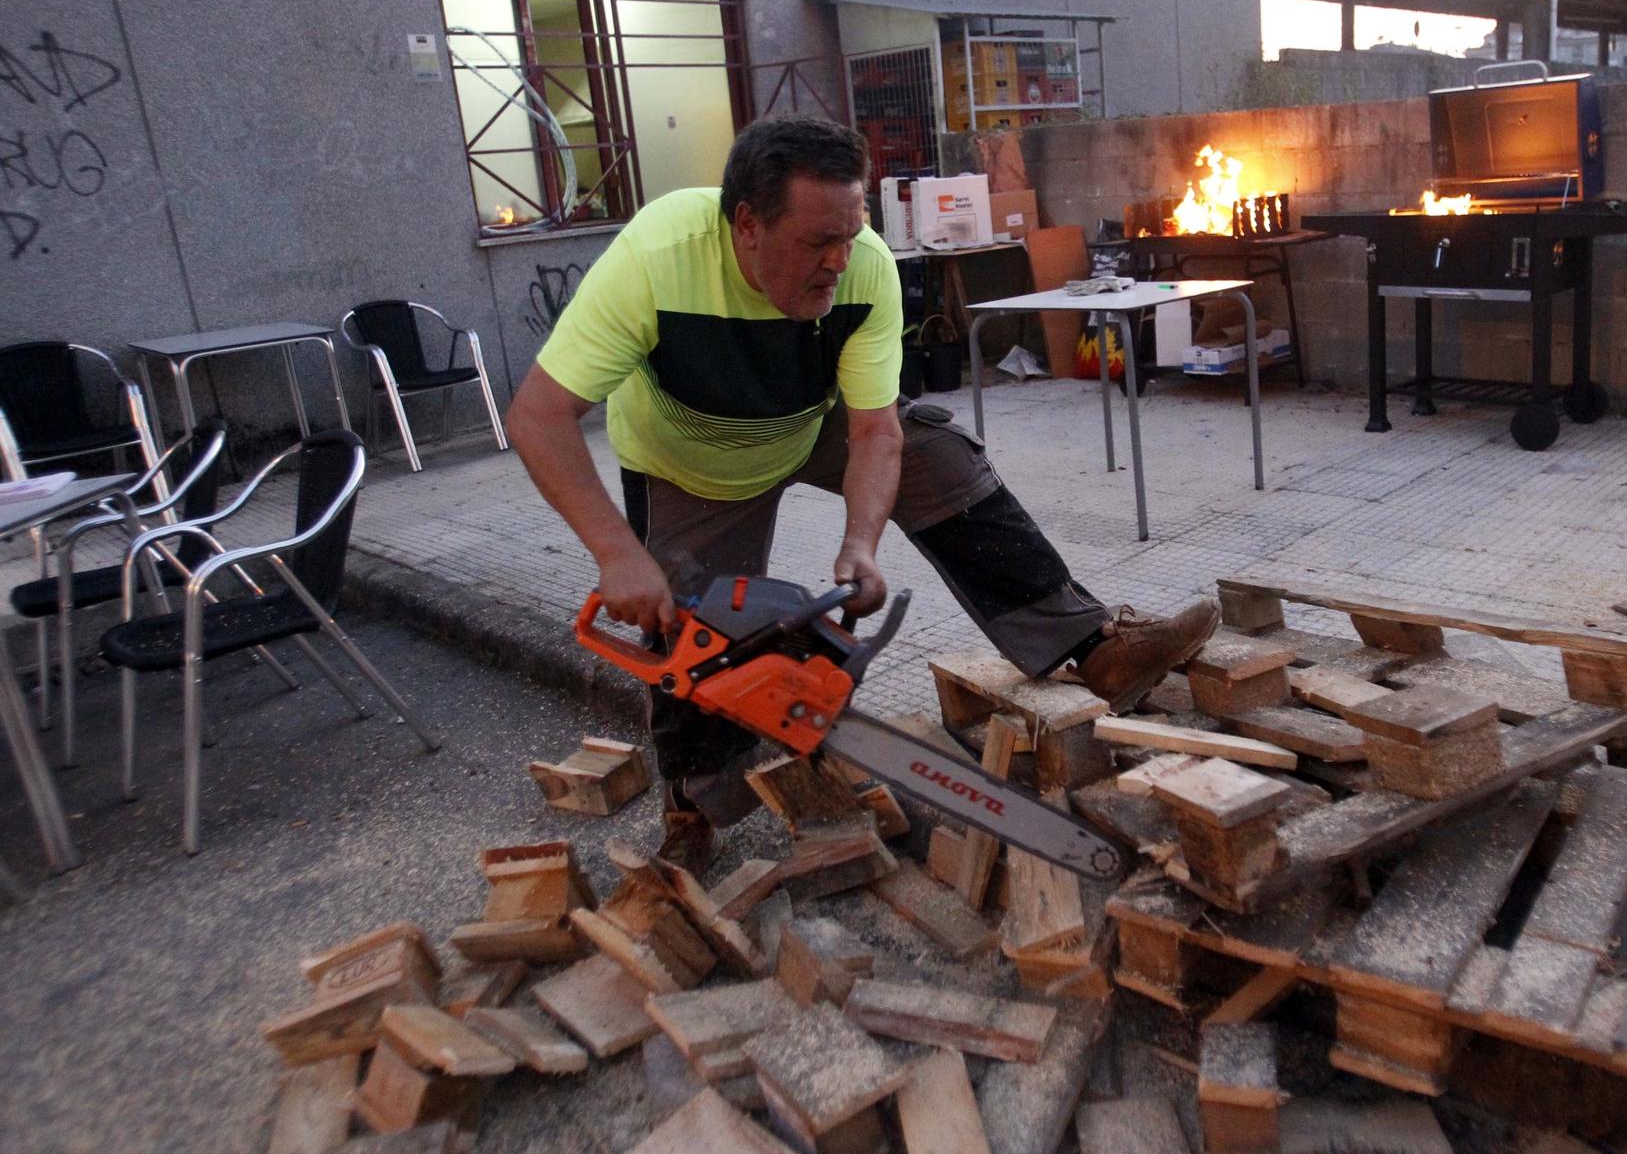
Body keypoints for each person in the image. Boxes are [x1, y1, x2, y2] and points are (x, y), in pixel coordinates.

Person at [506, 115, 1217, 865]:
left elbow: (877, 431)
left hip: (811, 426)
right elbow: (539, 416)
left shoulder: (866, 267)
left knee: (939, 453)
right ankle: (696, 807)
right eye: (818, 242)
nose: (840, 261)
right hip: (690, 462)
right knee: (690, 631)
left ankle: (1090, 644)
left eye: (851, 234)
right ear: (746, 224)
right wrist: (616, 552)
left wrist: (861, 543)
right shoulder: (657, 256)